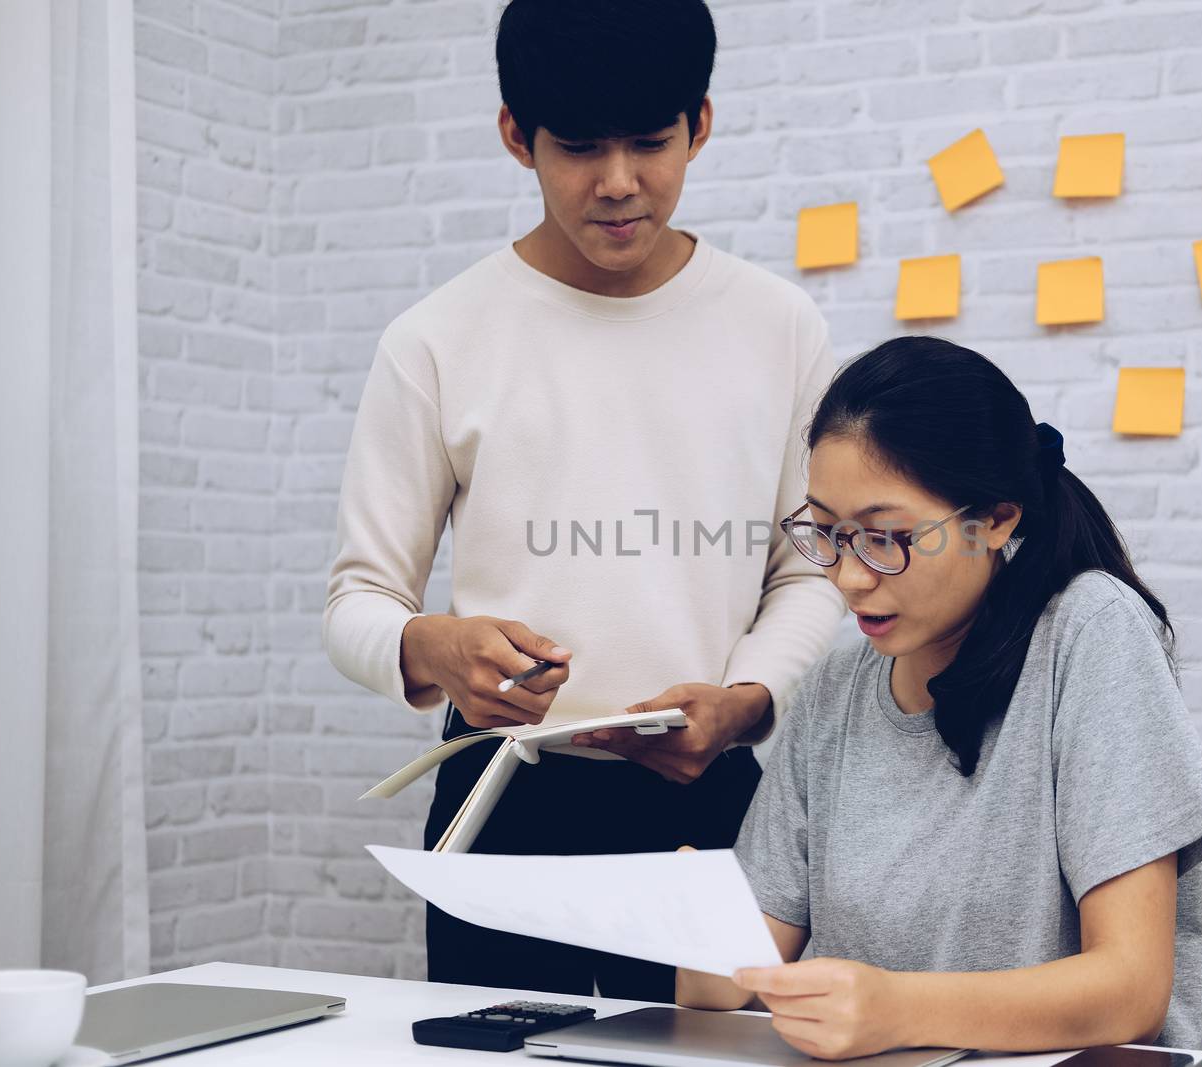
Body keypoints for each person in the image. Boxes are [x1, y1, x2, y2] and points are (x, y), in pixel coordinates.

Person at [323, 0, 844, 1001]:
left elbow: (812, 568)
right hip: (504, 799)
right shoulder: (437, 337)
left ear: (701, 122)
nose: (616, 183)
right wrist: (435, 647)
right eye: (577, 147)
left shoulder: (777, 325)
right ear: (517, 134)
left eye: (650, 143)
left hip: (716, 799)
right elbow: (357, 600)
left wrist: (746, 702)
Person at [676, 337, 1202, 1057]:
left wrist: (894, 1008)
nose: (849, 577)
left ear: (997, 518)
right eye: (826, 532)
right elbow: (728, 989)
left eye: (886, 536)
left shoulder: (1089, 633)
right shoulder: (833, 690)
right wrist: (695, 920)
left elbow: (1130, 990)